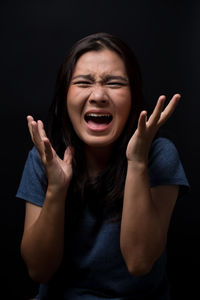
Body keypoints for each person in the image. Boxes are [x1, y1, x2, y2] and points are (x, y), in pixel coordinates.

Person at [16, 32, 189, 300]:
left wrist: (138, 162)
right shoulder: (43, 157)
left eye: (115, 84)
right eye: (83, 83)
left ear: (133, 98)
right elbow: (39, 271)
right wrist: (55, 190)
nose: (98, 95)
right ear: (65, 97)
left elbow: (139, 262)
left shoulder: (159, 154)